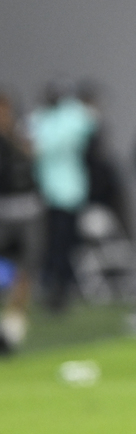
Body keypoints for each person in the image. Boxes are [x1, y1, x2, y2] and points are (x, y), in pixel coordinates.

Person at [29, 82, 96, 311]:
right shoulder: (43, 117)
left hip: (68, 193)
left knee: (64, 245)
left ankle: (63, 290)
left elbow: (45, 145)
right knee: (50, 246)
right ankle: (53, 288)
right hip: (48, 193)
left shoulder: (72, 118)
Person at [0, 91, 43, 354]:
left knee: (24, 272)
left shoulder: (21, 138)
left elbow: (34, 168)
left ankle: (13, 331)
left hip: (27, 213)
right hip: (2, 213)